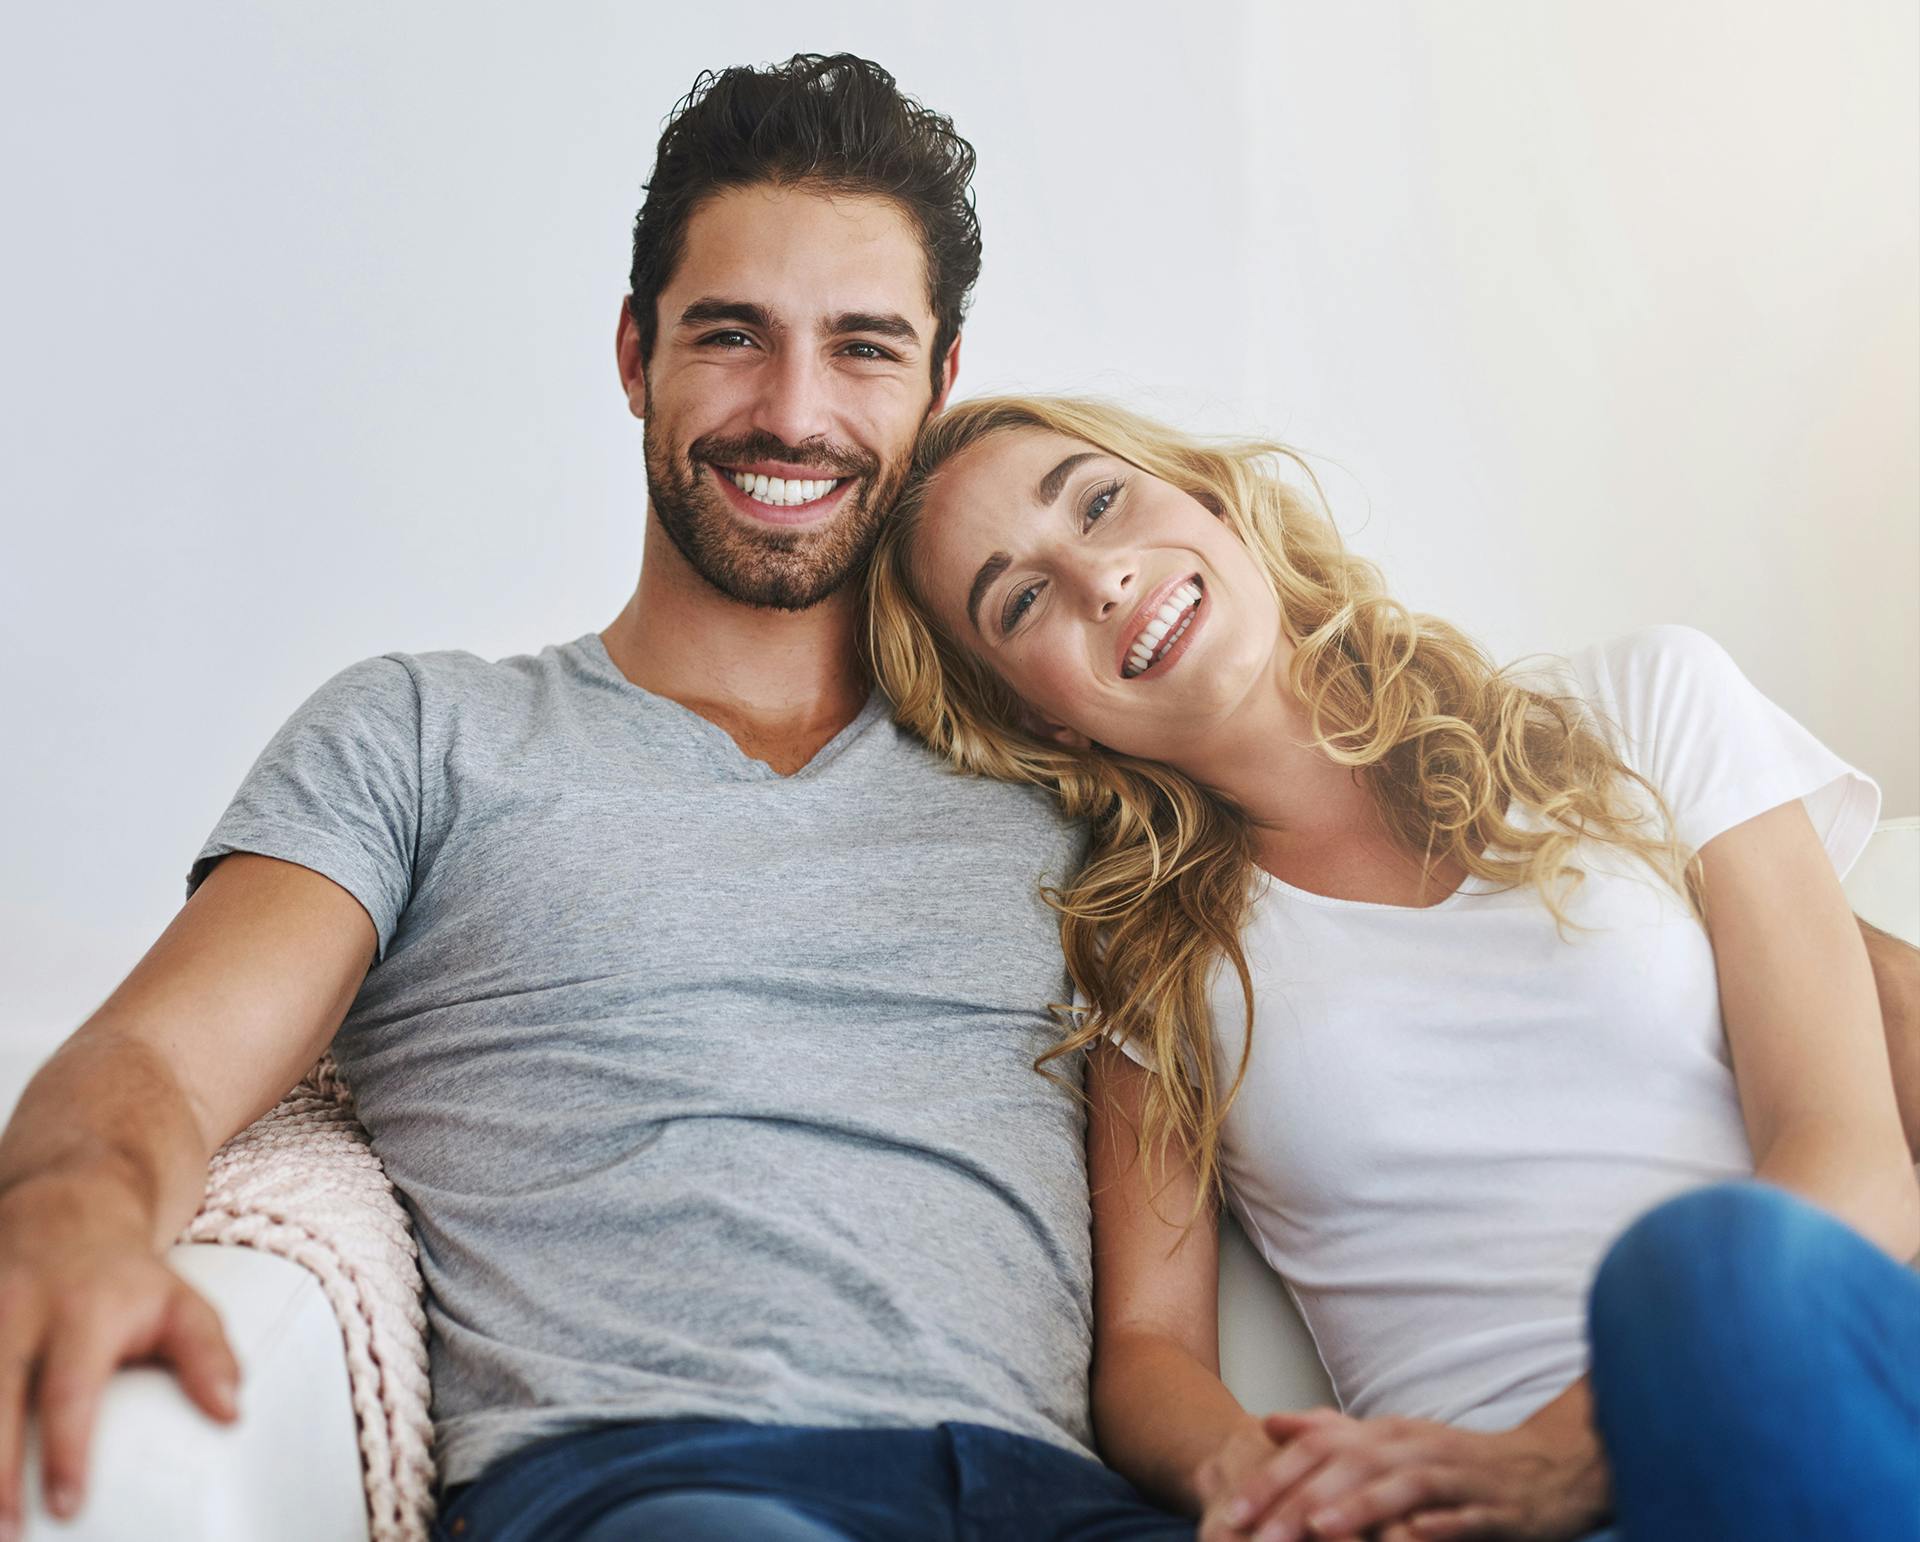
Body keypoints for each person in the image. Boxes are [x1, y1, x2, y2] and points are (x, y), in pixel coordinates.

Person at [0, 59, 1198, 1542]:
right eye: (730, 335)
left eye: (864, 348)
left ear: (939, 385)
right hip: (661, 1491)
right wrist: (67, 1221)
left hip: (1051, 1505)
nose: (793, 411)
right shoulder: (425, 736)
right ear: (635, 354)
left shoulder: (1060, 776)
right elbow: (158, 1066)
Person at [863, 394, 1920, 1542]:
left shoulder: (1645, 707)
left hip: (1797, 1390)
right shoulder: (1149, 964)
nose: (1100, 578)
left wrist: (1561, 1453)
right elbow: (1148, 1350)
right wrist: (1258, 1484)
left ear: (1209, 499)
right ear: (1043, 719)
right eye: (1021, 600)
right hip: (1464, 1509)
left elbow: (1852, 1158)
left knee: (1703, 1263)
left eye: (1102, 501)